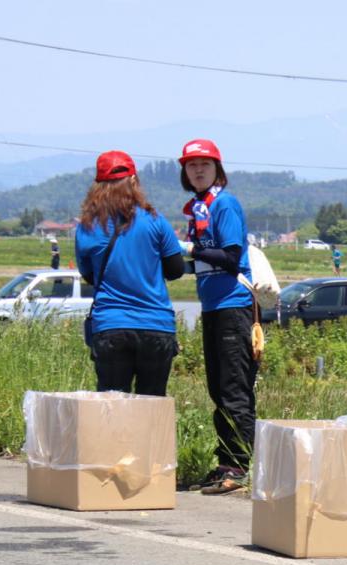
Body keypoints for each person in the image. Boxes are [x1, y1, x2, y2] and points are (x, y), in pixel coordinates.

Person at [179, 138, 258, 495]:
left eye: (204, 164)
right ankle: (225, 460)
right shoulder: (198, 208)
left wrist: (194, 249)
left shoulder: (223, 204)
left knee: (234, 389)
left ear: (217, 169)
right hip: (212, 306)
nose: (197, 170)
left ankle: (239, 466)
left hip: (232, 305)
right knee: (217, 388)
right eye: (191, 165)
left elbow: (230, 256)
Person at [75, 151, 185, 396]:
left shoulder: (87, 226)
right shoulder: (155, 221)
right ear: (134, 181)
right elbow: (176, 270)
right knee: (152, 407)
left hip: (110, 325)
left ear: (97, 186)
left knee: (112, 409)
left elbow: (90, 276)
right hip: (156, 325)